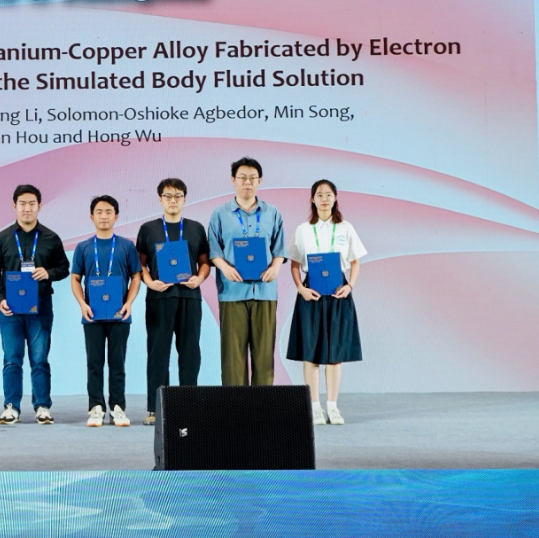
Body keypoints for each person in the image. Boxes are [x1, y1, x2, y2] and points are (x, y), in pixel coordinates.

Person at [0, 184, 70, 425]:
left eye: (32, 203)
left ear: (39, 206)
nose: (27, 208)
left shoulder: (50, 238)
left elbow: (64, 268)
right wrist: (1, 298)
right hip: (10, 309)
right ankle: (11, 406)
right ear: (14, 206)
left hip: (40, 307)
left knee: (39, 358)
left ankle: (42, 406)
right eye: (22, 203)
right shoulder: (3, 238)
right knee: (12, 358)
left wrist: (48, 273)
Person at [286, 179, 366, 425]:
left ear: (335, 198)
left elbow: (355, 262)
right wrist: (301, 289)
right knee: (310, 352)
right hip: (311, 294)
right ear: (312, 199)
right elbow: (295, 264)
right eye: (319, 194)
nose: (324, 198)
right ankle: (314, 407)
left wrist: (349, 286)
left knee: (334, 353)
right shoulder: (303, 229)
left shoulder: (345, 228)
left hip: (338, 292)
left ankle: (332, 406)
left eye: (328, 194)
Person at [135, 178, 210, 426]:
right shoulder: (148, 229)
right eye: (168, 196)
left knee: (190, 353)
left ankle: (189, 406)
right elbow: (139, 264)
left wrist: (199, 278)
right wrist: (149, 282)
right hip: (159, 297)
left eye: (178, 195)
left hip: (189, 297)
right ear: (160, 200)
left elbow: (205, 262)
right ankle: (156, 408)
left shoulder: (196, 228)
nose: (173, 200)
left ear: (184, 199)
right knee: (158, 353)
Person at [208, 158, 286, 386]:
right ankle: (235, 404)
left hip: (264, 291)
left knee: (264, 354)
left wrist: (275, 267)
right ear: (233, 180)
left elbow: (279, 249)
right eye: (242, 178)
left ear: (259, 181)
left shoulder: (272, 213)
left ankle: (261, 404)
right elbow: (213, 249)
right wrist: (224, 267)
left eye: (252, 178)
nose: (247, 182)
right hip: (232, 291)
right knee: (233, 355)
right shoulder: (220, 214)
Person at [70, 196, 142, 427]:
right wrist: (82, 304)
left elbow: (136, 276)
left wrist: (129, 303)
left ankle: (118, 408)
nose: (104, 216)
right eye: (99, 212)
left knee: (117, 363)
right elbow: (75, 278)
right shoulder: (83, 247)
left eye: (108, 212)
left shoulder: (126, 246)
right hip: (92, 315)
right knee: (94, 363)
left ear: (116, 216)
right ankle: (96, 408)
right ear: (91, 217)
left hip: (120, 314)